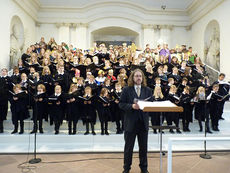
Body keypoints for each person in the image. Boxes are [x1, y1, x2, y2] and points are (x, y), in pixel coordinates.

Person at [119, 68, 152, 173]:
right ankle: (126, 169)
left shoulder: (148, 90)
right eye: (136, 76)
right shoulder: (126, 90)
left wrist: (147, 105)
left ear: (143, 78)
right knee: (128, 149)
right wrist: (132, 106)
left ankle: (144, 169)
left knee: (143, 148)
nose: (138, 78)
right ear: (132, 78)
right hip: (130, 123)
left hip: (143, 123)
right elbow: (121, 104)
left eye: (140, 76)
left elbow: (151, 104)